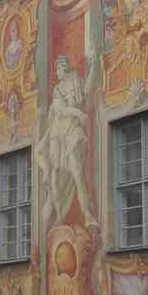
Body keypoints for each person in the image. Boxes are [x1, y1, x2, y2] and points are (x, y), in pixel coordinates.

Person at [35, 46, 98, 227]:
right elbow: (61, 110)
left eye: (58, 68)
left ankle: (87, 215)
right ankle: (59, 214)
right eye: (55, 69)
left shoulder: (75, 80)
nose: (56, 72)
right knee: (55, 173)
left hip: (71, 132)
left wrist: (93, 64)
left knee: (77, 174)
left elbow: (87, 90)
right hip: (57, 134)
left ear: (64, 67)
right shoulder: (57, 90)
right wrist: (79, 114)